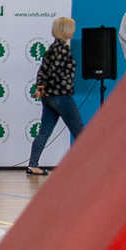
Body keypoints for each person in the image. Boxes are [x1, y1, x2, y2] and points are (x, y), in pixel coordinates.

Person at [26, 16, 85, 177]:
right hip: (61, 95)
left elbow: (43, 70)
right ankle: (87, 164)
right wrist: (46, 86)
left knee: (44, 132)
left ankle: (33, 164)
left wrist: (41, 87)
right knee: (79, 130)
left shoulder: (52, 48)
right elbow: (55, 72)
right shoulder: (63, 49)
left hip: (49, 97)